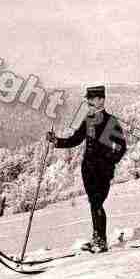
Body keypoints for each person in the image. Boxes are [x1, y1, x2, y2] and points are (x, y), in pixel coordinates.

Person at [46, 85, 127, 253]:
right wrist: (56, 141)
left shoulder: (110, 121)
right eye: (87, 99)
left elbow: (121, 147)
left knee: (97, 203)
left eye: (91, 99)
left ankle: (101, 242)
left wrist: (108, 163)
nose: (88, 102)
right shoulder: (89, 119)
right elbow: (75, 139)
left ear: (101, 100)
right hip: (88, 170)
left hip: (102, 171)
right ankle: (97, 238)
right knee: (93, 203)